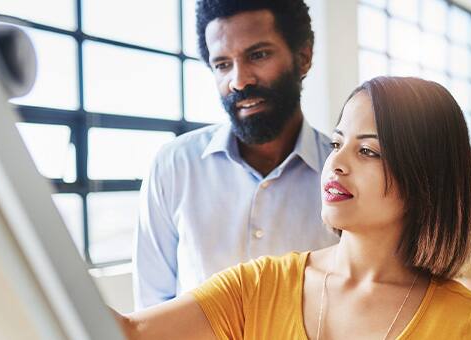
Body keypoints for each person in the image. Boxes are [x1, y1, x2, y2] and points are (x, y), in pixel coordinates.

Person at [114, 76, 471, 340]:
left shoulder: (470, 326)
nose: (336, 163)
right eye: (337, 143)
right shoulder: (260, 286)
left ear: (425, 178)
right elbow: (127, 332)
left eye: (368, 151)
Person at [134, 0, 339, 310]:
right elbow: (150, 309)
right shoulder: (174, 166)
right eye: (222, 65)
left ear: (304, 56)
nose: (239, 80)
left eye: (258, 55)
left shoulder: (342, 175)